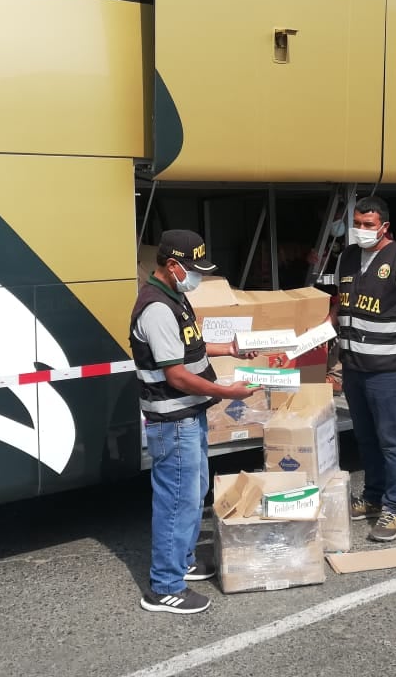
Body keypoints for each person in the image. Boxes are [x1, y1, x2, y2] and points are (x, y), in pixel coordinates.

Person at [130, 229, 257, 614]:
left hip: (188, 415)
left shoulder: (175, 297)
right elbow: (177, 376)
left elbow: (192, 347)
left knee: (194, 489)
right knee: (177, 501)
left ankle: (182, 560)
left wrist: (231, 348)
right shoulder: (156, 308)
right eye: (193, 268)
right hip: (173, 419)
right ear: (172, 265)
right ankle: (164, 588)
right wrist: (229, 393)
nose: (197, 276)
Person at [328, 196, 396, 542]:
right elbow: (338, 307)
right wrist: (313, 339)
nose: (362, 230)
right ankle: (373, 498)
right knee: (365, 436)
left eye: (369, 225)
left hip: (388, 370)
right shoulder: (347, 257)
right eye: (358, 223)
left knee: (391, 440)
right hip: (354, 367)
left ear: (384, 226)